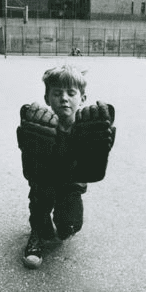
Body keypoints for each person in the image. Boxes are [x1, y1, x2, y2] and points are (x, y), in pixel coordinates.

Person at [15, 65, 116, 269]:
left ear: (83, 98)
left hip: (72, 182)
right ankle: (36, 235)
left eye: (71, 93)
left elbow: (94, 168)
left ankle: (63, 222)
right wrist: (30, 143)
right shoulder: (38, 123)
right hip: (44, 179)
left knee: (68, 228)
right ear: (47, 98)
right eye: (57, 93)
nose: (64, 98)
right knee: (40, 210)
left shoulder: (90, 126)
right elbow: (29, 164)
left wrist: (100, 147)